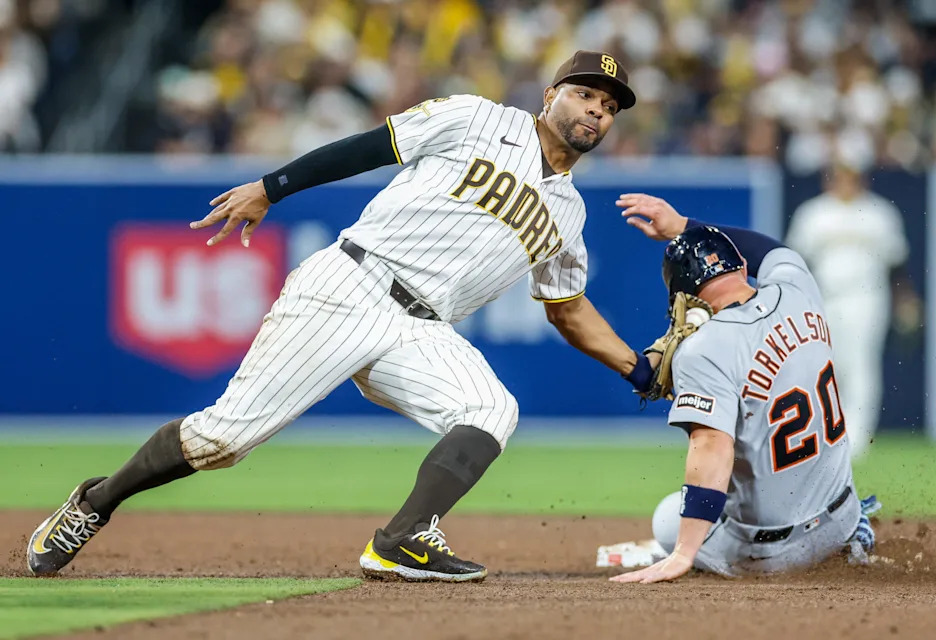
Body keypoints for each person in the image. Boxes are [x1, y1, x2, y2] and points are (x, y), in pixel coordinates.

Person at [27, 51, 660, 583]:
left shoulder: (570, 216)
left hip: (423, 327)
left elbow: (569, 310)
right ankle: (97, 500)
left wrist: (640, 371)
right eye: (584, 95)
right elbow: (370, 148)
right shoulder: (478, 118)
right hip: (352, 284)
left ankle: (401, 541)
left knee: (492, 410)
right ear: (551, 94)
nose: (595, 112)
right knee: (223, 440)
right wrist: (271, 188)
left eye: (608, 108)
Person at [604, 194, 877, 583]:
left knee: (668, 519)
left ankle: (691, 554)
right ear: (744, 267)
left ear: (684, 300)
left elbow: (712, 446)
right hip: (843, 520)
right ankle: (854, 535)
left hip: (774, 554)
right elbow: (771, 248)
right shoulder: (798, 287)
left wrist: (683, 553)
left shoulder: (702, 350)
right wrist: (683, 224)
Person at [786, 163, 915, 457]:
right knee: (826, 365)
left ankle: (857, 439)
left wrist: (905, 299)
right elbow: (797, 262)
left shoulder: (879, 213)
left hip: (867, 297)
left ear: (861, 178)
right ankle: (829, 434)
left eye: (850, 175)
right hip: (824, 297)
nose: (845, 181)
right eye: (839, 175)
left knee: (861, 365)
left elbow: (897, 265)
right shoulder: (814, 213)